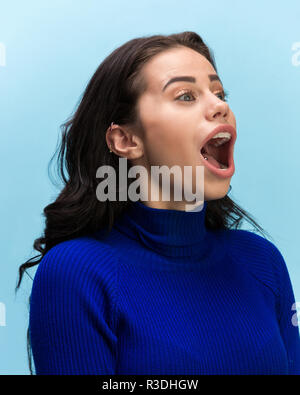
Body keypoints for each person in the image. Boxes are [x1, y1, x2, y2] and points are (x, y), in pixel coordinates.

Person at [16, 31, 300, 375]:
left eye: (219, 93)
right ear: (125, 140)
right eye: (185, 96)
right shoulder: (77, 273)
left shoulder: (261, 260)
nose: (220, 106)